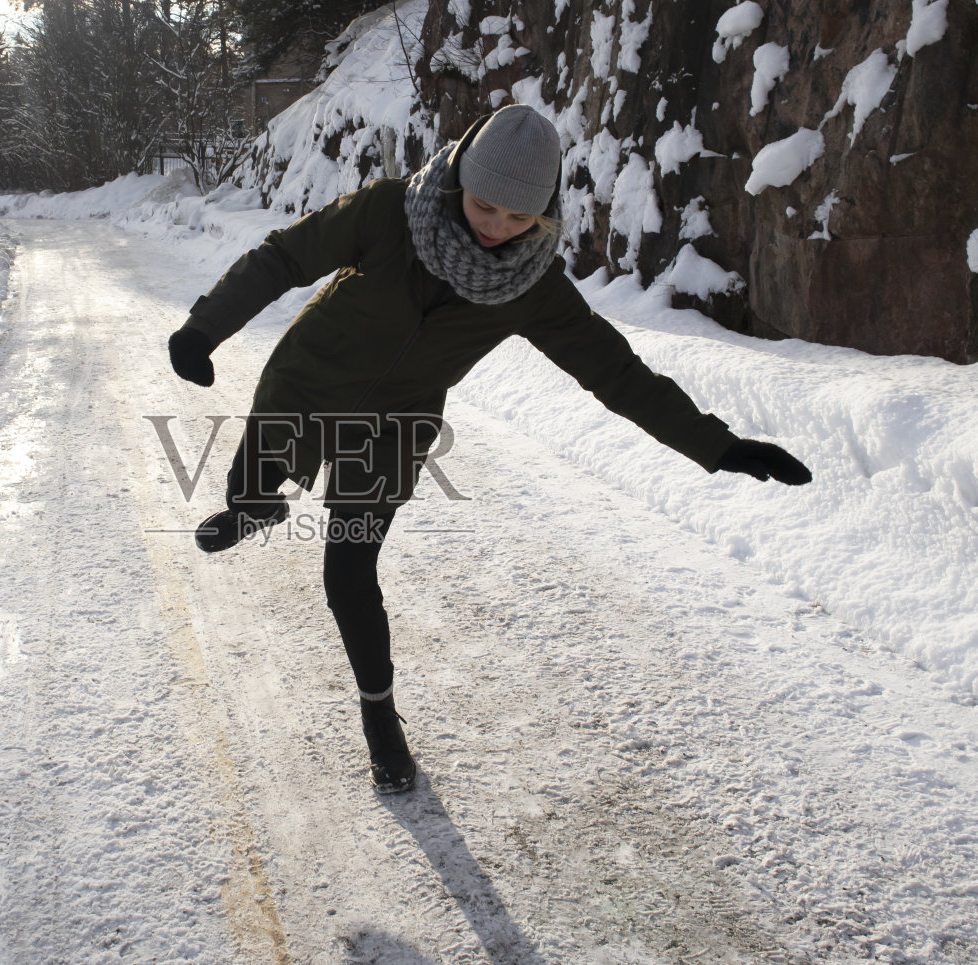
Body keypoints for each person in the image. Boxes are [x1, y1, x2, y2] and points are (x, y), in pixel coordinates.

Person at [167, 104, 811, 794]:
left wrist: (719, 446)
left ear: (544, 212)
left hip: (394, 429)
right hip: (307, 383)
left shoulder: (531, 288)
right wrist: (204, 330)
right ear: (459, 180)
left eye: (518, 216)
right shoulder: (387, 212)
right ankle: (255, 507)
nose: (497, 227)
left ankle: (379, 715)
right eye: (483, 205)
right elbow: (283, 257)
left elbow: (617, 374)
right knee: (252, 483)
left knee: (347, 574)